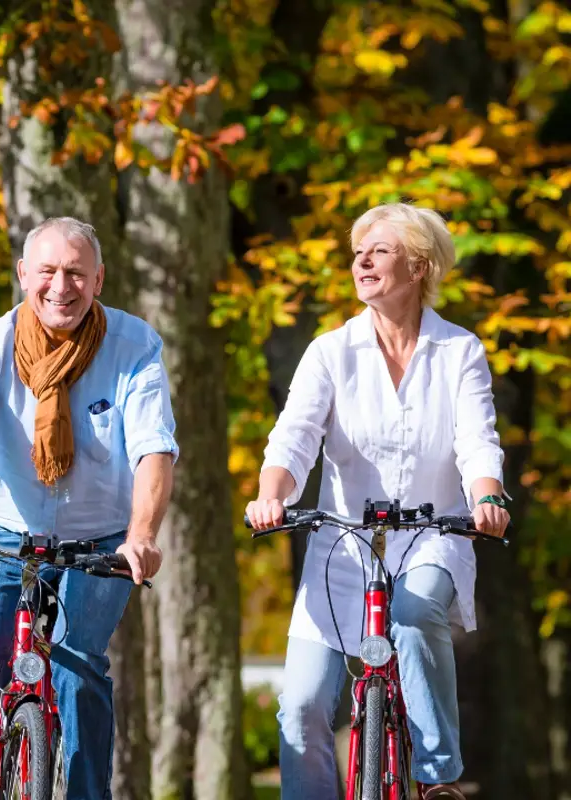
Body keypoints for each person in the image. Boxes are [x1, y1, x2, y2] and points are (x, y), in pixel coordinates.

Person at [245, 203, 510, 800]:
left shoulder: (459, 351)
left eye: (379, 250)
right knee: (304, 708)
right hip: (341, 549)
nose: (362, 260)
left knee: (415, 618)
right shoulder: (329, 353)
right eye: (358, 251)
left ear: (418, 267)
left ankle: (438, 778)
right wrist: (271, 496)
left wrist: (488, 498)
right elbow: (294, 439)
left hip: (431, 538)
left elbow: (476, 440)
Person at [0, 217, 178, 800]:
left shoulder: (134, 347)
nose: (63, 285)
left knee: (78, 673)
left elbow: (154, 448)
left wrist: (143, 534)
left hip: (101, 541)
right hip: (6, 539)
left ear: (99, 279)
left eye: (77, 272)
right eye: (49, 271)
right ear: (23, 274)